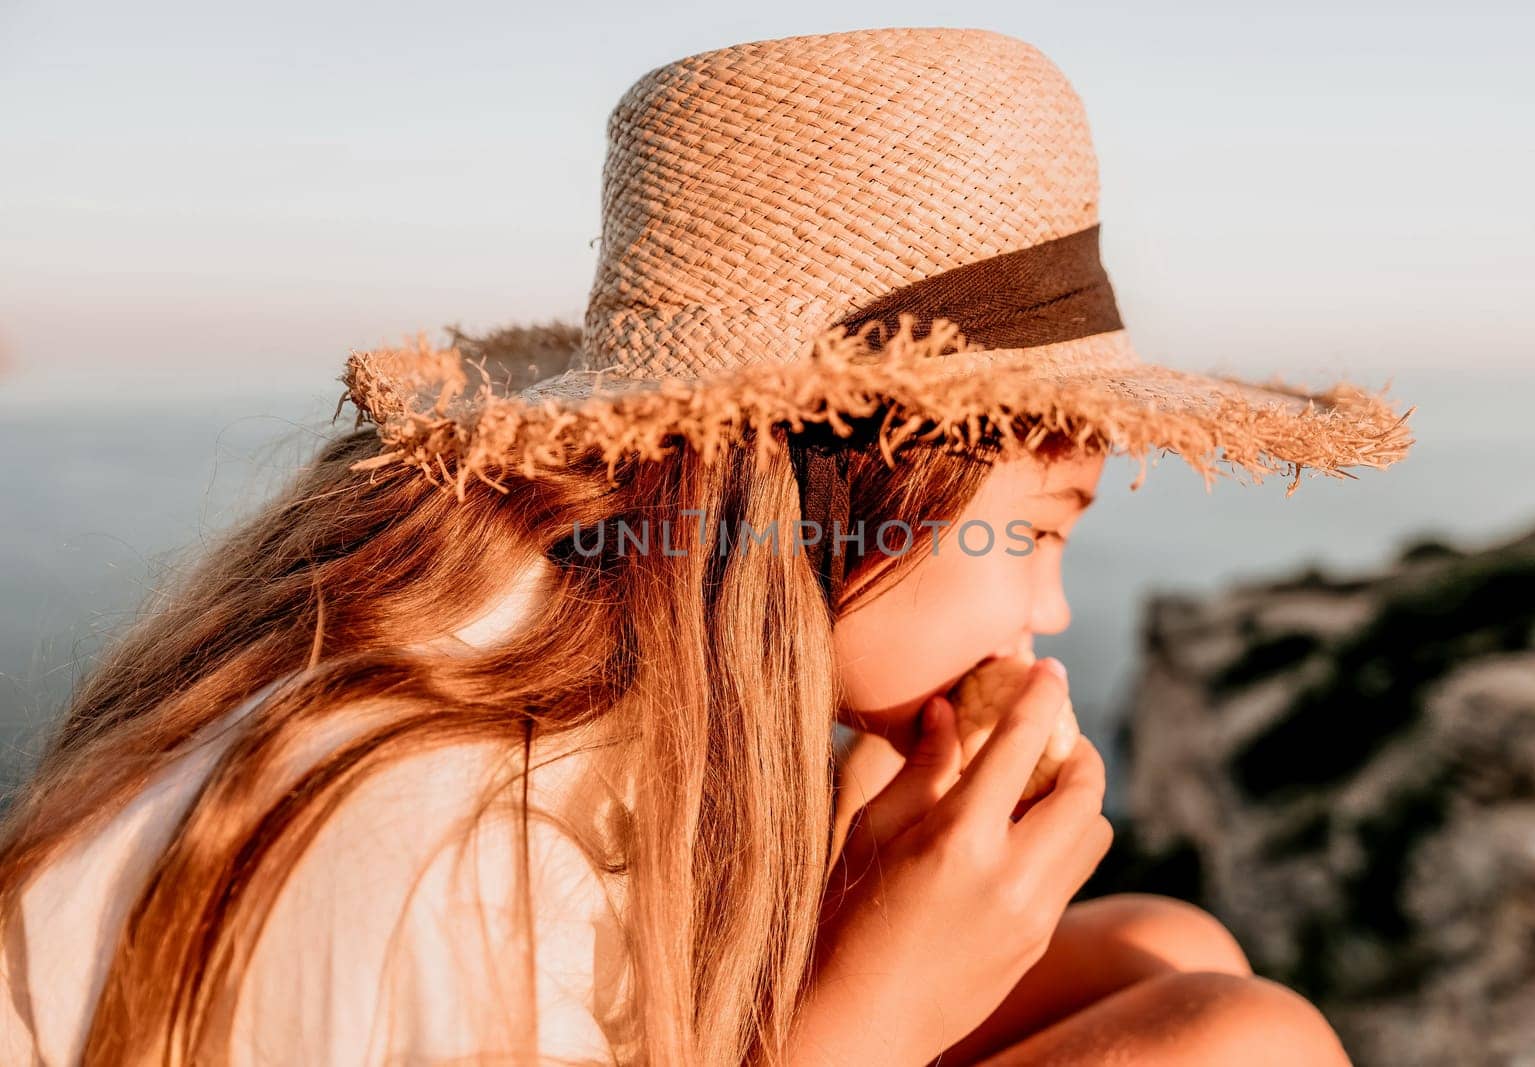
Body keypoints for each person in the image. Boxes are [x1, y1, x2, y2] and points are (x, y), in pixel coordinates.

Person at [0, 25, 1412, 1067]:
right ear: (848, 491)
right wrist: (870, 1016)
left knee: (1175, 950)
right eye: (1034, 530)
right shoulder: (446, 839)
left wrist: (868, 894)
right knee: (1241, 1043)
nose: (1044, 613)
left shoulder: (596, 657)